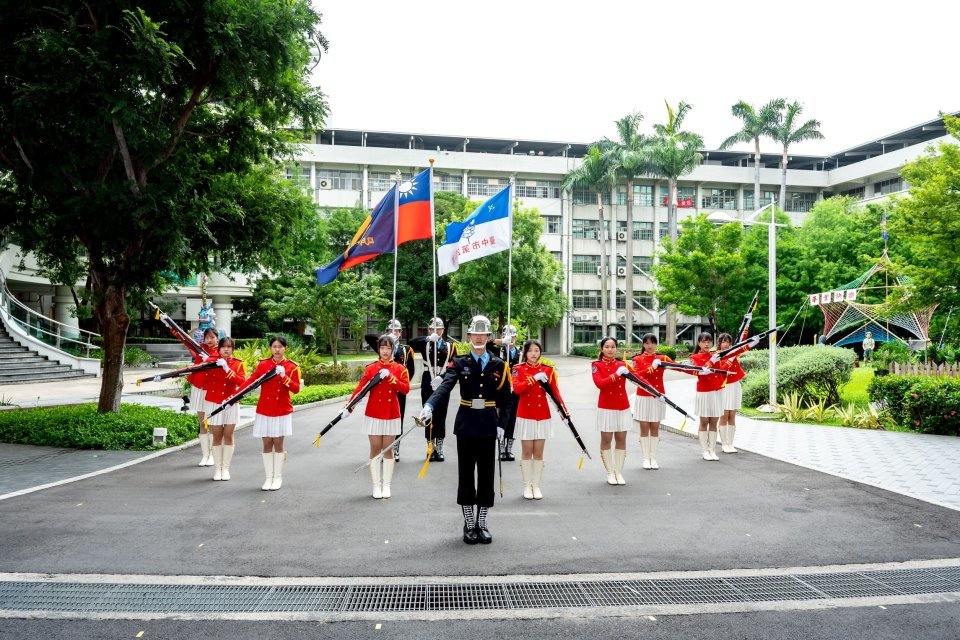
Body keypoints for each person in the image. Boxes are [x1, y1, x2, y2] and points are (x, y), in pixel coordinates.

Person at [419, 315, 512, 545]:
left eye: (483, 334)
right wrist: (429, 405)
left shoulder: (499, 365)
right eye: (475, 333)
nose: (479, 337)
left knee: (487, 475)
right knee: (466, 474)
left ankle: (482, 522)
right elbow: (446, 386)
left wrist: (502, 426)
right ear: (469, 336)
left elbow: (506, 400)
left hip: (489, 426)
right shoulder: (459, 363)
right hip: (467, 424)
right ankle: (469, 524)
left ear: (489, 337)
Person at [341, 336, 411, 499]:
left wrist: (391, 378)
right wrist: (348, 407)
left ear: (393, 349)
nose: (385, 351)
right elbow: (360, 390)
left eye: (388, 348)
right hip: (373, 413)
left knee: (388, 450)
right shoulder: (371, 369)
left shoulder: (400, 369)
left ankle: (386, 485)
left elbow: (405, 389)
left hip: (391, 413)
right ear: (378, 350)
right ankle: (376, 486)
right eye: (382, 348)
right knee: (375, 449)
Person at [235, 335, 301, 491]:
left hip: (281, 410)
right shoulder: (264, 365)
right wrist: (235, 395)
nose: (277, 349)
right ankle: (268, 477)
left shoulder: (292, 367)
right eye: (274, 346)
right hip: (265, 409)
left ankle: (277, 477)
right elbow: (250, 381)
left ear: (286, 348)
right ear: (270, 348)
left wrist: (284, 376)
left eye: (280, 346)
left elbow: (296, 389)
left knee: (278, 444)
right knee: (266, 444)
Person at [510, 339, 566, 500]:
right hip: (525, 414)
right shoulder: (517, 369)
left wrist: (564, 411)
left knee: (539, 452)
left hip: (542, 414)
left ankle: (536, 485)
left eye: (537, 350)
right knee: (527, 451)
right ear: (525, 353)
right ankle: (527, 485)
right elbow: (518, 389)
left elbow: (555, 393)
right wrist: (534, 378)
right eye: (531, 351)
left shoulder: (548, 370)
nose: (534, 354)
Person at [366, 320, 415, 461]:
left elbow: (410, 369)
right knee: (382, 418)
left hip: (398, 388)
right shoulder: (384, 345)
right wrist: (385, 337)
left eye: (397, 331)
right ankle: (382, 449)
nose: (394, 333)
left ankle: (395, 446)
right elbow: (368, 337)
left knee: (397, 419)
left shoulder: (406, 349)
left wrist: (401, 383)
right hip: (384, 388)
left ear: (400, 333)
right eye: (391, 330)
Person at [199, 337, 246, 481]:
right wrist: (206, 361)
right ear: (219, 348)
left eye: (229, 347)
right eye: (223, 346)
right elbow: (197, 373)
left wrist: (226, 368)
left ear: (233, 349)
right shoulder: (211, 361)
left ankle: (225, 469)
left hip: (231, 402)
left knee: (229, 435)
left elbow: (242, 382)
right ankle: (217, 469)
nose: (226, 349)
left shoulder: (238, 364)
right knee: (217, 436)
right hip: (213, 402)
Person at [408, 318, 451, 462]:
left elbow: (452, 365)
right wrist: (427, 338)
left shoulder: (450, 346)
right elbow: (411, 342)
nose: (436, 331)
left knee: (441, 413)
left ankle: (440, 446)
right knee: (427, 414)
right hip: (428, 380)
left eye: (439, 329)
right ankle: (430, 447)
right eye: (433, 329)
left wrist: (443, 376)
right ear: (429, 330)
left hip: (442, 380)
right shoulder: (425, 343)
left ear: (443, 330)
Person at [591, 337, 632, 485]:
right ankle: (610, 472)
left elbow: (639, 377)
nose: (610, 349)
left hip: (622, 406)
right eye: (607, 347)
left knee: (621, 439)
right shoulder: (597, 365)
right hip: (606, 407)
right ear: (602, 349)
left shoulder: (623, 364)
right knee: (606, 440)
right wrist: (616, 375)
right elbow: (599, 383)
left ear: (616, 349)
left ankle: (618, 472)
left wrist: (656, 392)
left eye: (613, 347)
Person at [630, 333, 673, 470]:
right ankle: (645, 458)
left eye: (653, 343)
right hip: (643, 396)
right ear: (643, 344)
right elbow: (636, 376)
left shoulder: (662, 358)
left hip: (658, 396)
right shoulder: (637, 359)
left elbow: (679, 366)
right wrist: (651, 368)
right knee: (644, 427)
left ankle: (653, 458)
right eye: (647, 343)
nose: (650, 346)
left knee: (655, 427)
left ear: (656, 344)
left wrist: (699, 369)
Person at [714, 332, 757, 455]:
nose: (726, 344)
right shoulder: (717, 356)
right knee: (724, 415)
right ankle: (724, 444)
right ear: (719, 343)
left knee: (732, 415)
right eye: (723, 342)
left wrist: (749, 334)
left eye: (727, 342)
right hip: (724, 387)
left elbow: (744, 345)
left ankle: (730, 443)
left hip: (735, 386)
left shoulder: (734, 353)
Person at [687, 332, 725, 461]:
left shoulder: (716, 355)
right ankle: (704, 450)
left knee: (714, 421)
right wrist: (709, 363)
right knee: (704, 421)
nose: (706, 344)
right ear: (699, 343)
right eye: (703, 341)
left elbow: (721, 371)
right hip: (704, 392)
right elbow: (694, 371)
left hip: (716, 391)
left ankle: (712, 450)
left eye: (709, 341)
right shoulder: (694, 357)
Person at [189, 328, 220, 467]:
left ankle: (213, 455)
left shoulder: (220, 351)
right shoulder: (199, 348)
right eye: (207, 337)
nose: (209, 340)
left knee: (212, 423)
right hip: (198, 387)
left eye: (212, 337)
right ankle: (205, 455)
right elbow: (185, 340)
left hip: (212, 389)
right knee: (202, 423)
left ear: (217, 338)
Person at [492, 324, 521, 462]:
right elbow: (487, 344)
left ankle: (509, 449)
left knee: (513, 419)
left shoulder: (520, 353)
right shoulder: (498, 351)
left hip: (515, 390)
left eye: (513, 336)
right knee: (501, 417)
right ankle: (501, 448)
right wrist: (502, 342)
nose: (512, 338)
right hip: (501, 390)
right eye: (508, 336)